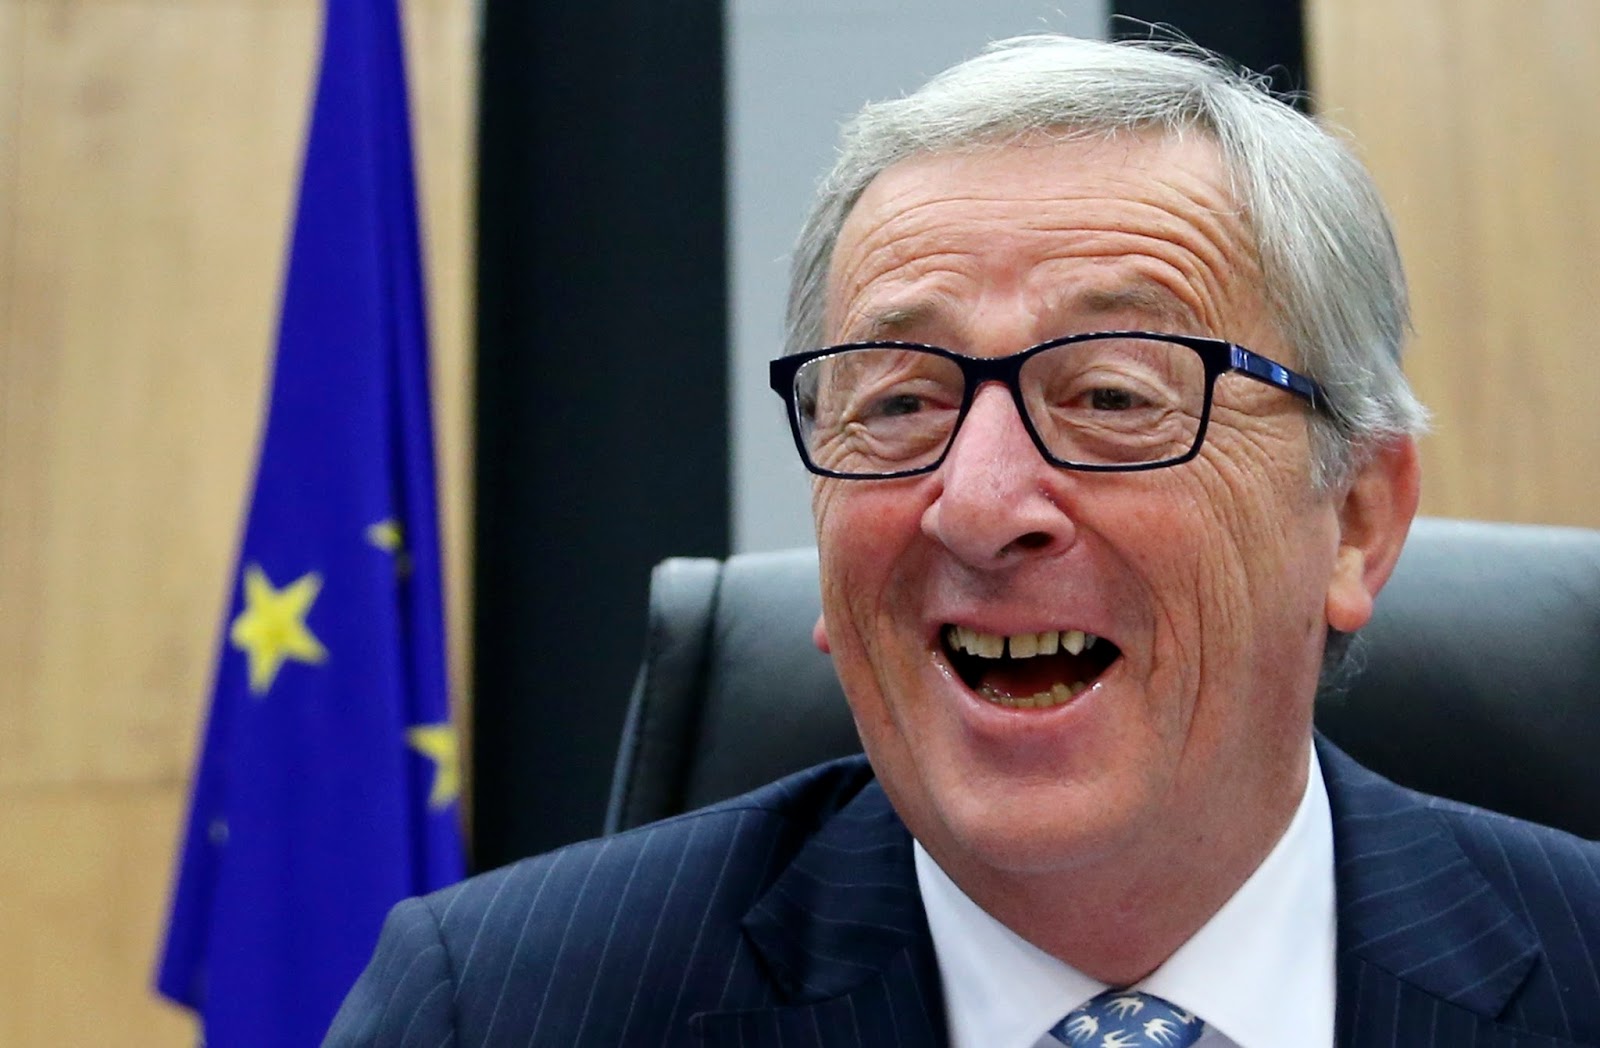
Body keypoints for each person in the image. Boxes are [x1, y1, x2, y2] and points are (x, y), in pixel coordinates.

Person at [326, 34, 1600, 1047]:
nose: (979, 504)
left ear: (1357, 523)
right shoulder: (494, 1009)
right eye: (900, 404)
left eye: (1110, 395)